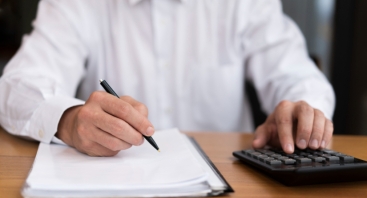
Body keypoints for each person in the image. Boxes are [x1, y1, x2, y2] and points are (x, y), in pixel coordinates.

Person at [0, 0, 335, 157]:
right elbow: (17, 86)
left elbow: (300, 78)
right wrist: (69, 120)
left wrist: (302, 114)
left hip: (232, 195)